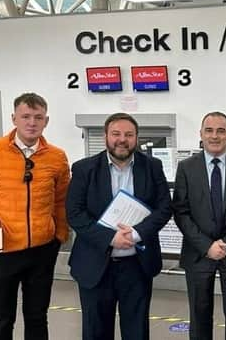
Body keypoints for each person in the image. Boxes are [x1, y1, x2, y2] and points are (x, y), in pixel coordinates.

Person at [0, 92, 69, 340]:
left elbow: (61, 200)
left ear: (46, 121)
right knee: (1, 319)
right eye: (26, 116)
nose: (32, 122)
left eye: (38, 117)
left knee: (37, 318)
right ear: (14, 119)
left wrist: (60, 234)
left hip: (42, 251)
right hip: (0, 252)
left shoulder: (56, 157)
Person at [66, 112, 172, 340]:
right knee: (96, 332)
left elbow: (164, 208)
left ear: (136, 138)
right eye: (116, 134)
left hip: (137, 266)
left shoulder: (152, 166)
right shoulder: (84, 169)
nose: (122, 139)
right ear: (106, 136)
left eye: (128, 134)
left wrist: (136, 233)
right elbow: (74, 214)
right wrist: (109, 238)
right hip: (95, 265)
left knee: (136, 332)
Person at [172, 112, 226, 340]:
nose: (215, 136)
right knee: (199, 315)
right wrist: (207, 246)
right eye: (209, 130)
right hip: (198, 253)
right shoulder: (186, 168)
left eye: (221, 131)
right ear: (200, 135)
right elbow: (181, 212)